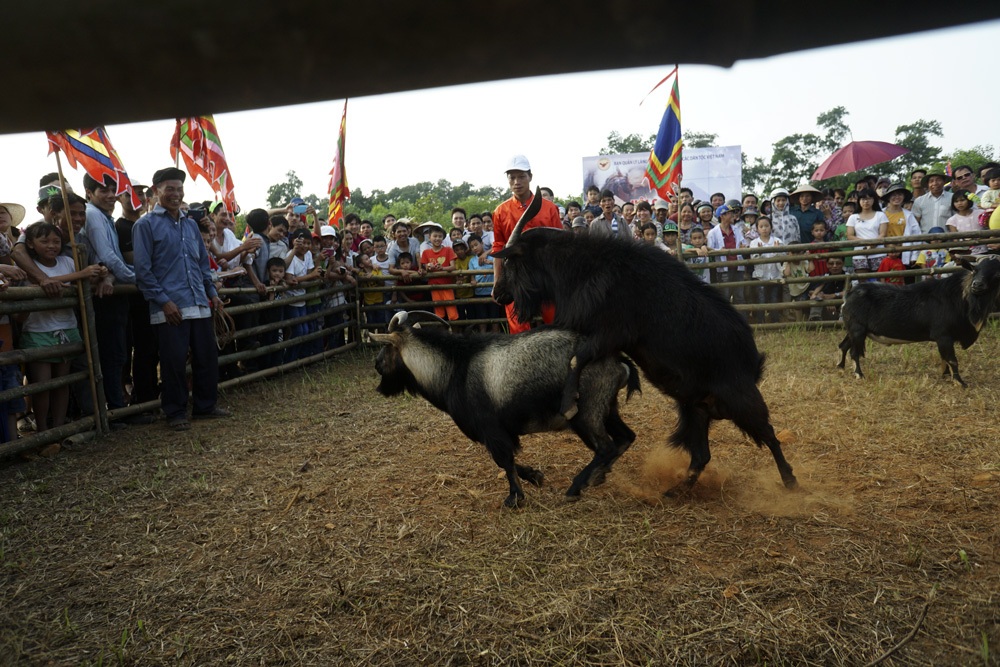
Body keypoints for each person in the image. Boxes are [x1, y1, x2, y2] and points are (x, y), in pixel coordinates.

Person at [133, 168, 229, 431]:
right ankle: (174, 411)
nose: (176, 194)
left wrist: (212, 294)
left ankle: (205, 406)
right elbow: (143, 272)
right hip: (170, 306)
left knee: (206, 357)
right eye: (169, 189)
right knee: (173, 361)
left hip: (199, 302)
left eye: (179, 189)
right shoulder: (145, 225)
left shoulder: (190, 225)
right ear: (156, 191)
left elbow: (201, 265)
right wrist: (164, 301)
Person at [21, 222, 106, 432]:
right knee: (42, 386)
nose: (51, 245)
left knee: (62, 383)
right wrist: (82, 274)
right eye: (45, 241)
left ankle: (58, 428)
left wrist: (98, 274)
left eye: (56, 241)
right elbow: (44, 282)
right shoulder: (30, 268)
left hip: (67, 328)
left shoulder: (68, 261)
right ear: (30, 244)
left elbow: (85, 284)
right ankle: (42, 429)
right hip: (38, 331)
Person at [491, 155, 563, 333]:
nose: (517, 182)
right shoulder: (500, 211)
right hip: (516, 274)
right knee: (517, 325)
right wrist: (497, 281)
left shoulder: (549, 208)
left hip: (546, 272)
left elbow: (561, 244)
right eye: (512, 177)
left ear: (530, 177)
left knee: (555, 320)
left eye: (521, 176)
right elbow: (498, 247)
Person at [706, 204, 746, 306]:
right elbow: (709, 249)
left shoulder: (736, 229)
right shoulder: (713, 232)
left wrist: (744, 247)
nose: (733, 215)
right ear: (722, 216)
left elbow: (743, 243)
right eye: (730, 213)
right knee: (725, 296)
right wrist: (719, 251)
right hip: (723, 267)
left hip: (738, 266)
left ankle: (741, 319)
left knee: (739, 295)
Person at [419, 223, 459, 321]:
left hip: (447, 285)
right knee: (439, 312)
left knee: (452, 312)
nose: (437, 238)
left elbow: (453, 266)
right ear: (429, 237)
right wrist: (428, 267)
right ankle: (442, 334)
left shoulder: (448, 250)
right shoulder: (426, 252)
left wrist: (442, 268)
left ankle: (454, 333)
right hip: (434, 285)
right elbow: (424, 268)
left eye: (440, 236)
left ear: (443, 238)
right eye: (435, 236)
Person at [748, 216, 782, 324]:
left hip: (775, 274)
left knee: (774, 298)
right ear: (757, 229)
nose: (764, 229)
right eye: (761, 226)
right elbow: (753, 258)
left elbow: (784, 256)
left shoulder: (777, 241)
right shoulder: (754, 243)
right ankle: (760, 321)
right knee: (761, 299)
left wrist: (777, 251)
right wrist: (760, 253)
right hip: (760, 276)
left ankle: (775, 321)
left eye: (766, 226)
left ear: (771, 227)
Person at [846, 190, 889, 276]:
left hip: (878, 252)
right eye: (863, 199)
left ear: (874, 200)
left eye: (869, 199)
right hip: (859, 253)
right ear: (859, 201)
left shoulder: (880, 215)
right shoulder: (853, 217)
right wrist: (865, 244)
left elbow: (883, 234)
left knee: (880, 280)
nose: (866, 201)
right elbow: (850, 235)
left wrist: (873, 244)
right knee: (862, 281)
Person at [807, 256, 847, 321]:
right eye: (831, 263)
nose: (834, 266)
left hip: (843, 313)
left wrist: (833, 296)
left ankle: (843, 322)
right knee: (817, 296)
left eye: (838, 263)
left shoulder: (849, 277)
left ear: (843, 263)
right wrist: (826, 301)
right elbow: (811, 292)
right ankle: (815, 319)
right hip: (826, 312)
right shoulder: (823, 277)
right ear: (827, 264)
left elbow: (849, 292)